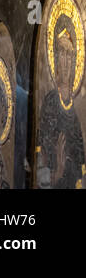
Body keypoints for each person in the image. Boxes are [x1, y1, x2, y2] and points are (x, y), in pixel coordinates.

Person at [37, 13, 85, 188]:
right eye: (61, 52)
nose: (65, 60)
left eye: (70, 54)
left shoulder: (75, 112)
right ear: (55, 58)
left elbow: (81, 166)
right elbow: (39, 166)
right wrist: (56, 173)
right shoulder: (50, 103)